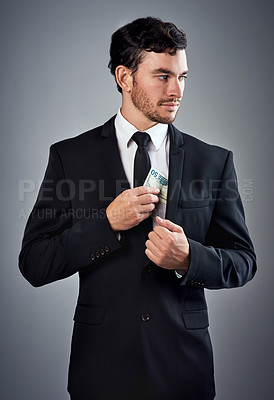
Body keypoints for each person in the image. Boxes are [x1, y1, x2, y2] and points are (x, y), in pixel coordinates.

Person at [19, 16, 256, 400]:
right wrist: (107, 223)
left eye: (182, 77)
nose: (176, 89)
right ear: (124, 77)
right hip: (101, 369)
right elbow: (34, 262)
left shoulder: (213, 161)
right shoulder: (70, 157)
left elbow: (244, 261)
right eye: (162, 76)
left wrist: (188, 258)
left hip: (184, 368)